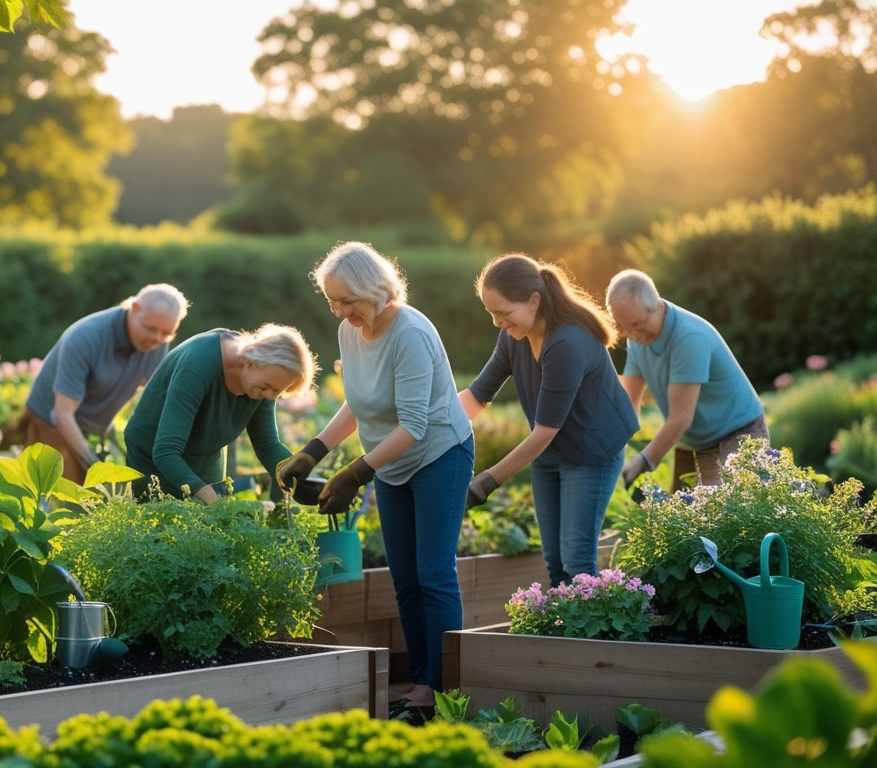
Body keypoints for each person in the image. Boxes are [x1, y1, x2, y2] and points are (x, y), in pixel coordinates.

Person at [277, 241, 474, 713]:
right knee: (404, 577)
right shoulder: (351, 331)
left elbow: (415, 425)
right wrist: (313, 451)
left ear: (375, 291)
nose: (341, 311)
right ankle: (422, 682)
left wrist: (356, 473)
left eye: (348, 301)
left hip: (439, 454)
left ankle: (446, 691)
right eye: (333, 302)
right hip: (390, 462)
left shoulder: (410, 333)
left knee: (433, 573)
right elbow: (359, 401)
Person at [459, 253, 638, 588]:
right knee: (554, 561)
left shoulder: (567, 342)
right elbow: (477, 395)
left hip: (591, 452)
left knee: (577, 560)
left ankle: (594, 621)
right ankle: (562, 619)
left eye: (503, 313)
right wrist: (432, 429)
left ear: (534, 300)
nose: (497, 322)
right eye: (491, 314)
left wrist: (485, 483)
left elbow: (544, 432)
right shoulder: (513, 337)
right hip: (549, 452)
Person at [605, 269, 768, 489]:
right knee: (682, 509)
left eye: (637, 325)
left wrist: (643, 461)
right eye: (623, 327)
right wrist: (613, 451)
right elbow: (628, 402)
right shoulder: (637, 341)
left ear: (657, 306)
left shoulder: (688, 337)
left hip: (738, 432)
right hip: (695, 441)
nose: (632, 335)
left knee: (739, 503)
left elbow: (681, 416)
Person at [124, 323, 317, 503]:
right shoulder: (198, 365)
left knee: (210, 523)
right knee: (160, 521)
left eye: (278, 392)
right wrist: (211, 499)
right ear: (251, 361)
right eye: (268, 387)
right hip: (154, 457)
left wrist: (297, 475)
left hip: (205, 456)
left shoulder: (264, 381)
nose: (270, 396)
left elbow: (268, 446)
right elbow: (165, 451)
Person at [23, 284, 189, 483]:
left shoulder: (158, 344)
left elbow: (157, 403)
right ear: (134, 309)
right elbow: (61, 414)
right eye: (150, 328)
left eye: (166, 333)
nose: (156, 339)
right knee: (65, 494)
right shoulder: (85, 337)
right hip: (52, 424)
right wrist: (94, 465)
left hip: (95, 430)